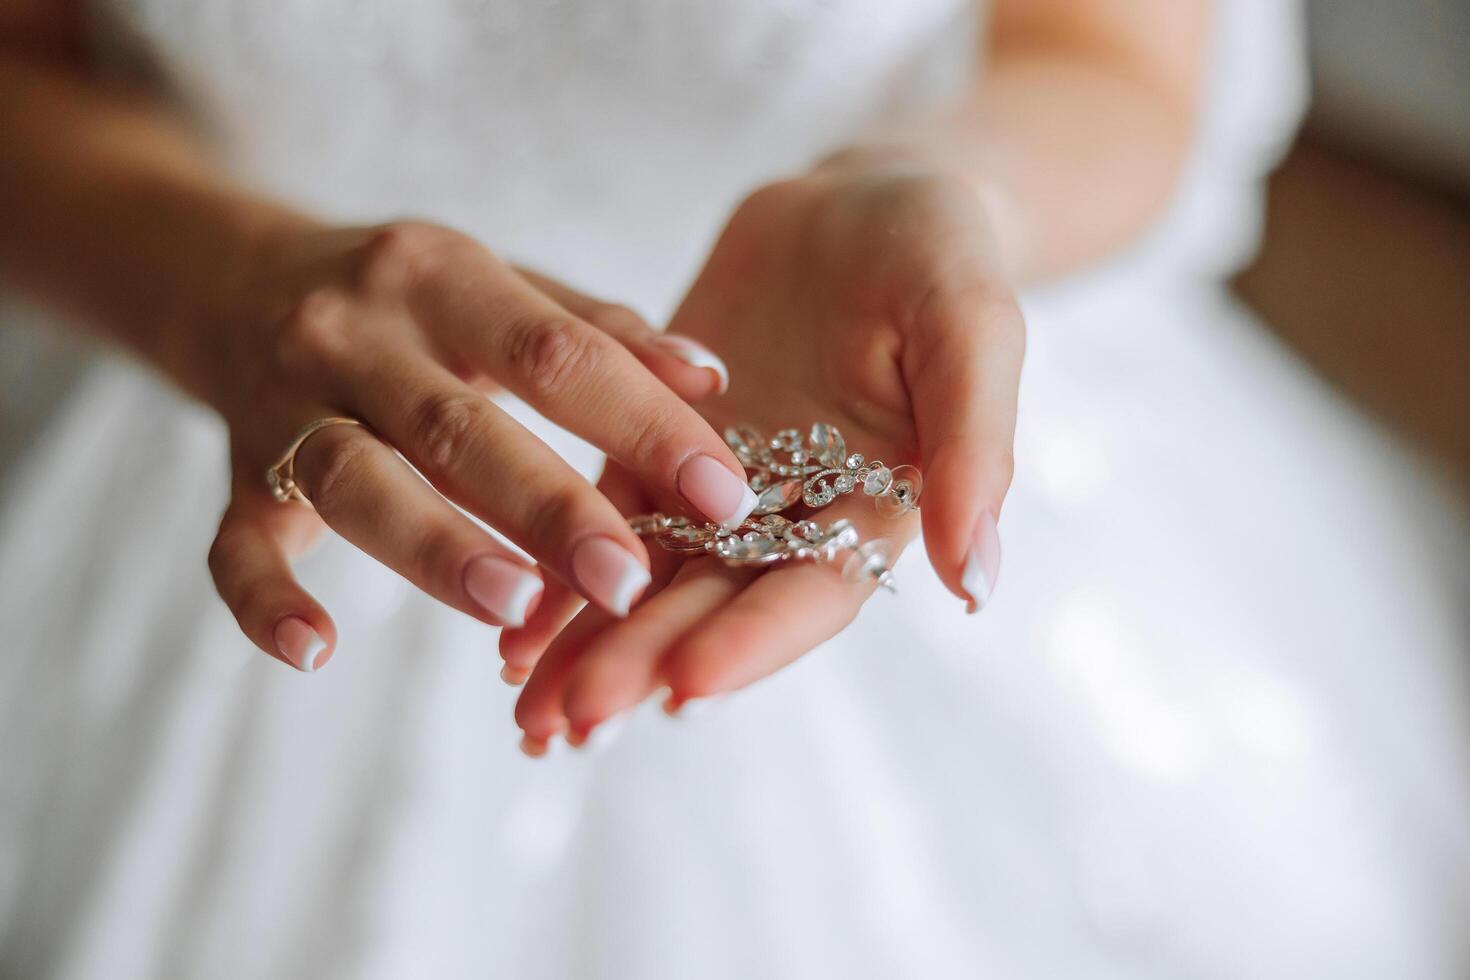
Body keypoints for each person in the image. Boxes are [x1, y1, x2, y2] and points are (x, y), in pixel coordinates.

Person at [1, 1, 1465, 977]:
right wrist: (223, 287)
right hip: (248, 424)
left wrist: (948, 190)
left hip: (901, 382)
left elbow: (1114, 58)